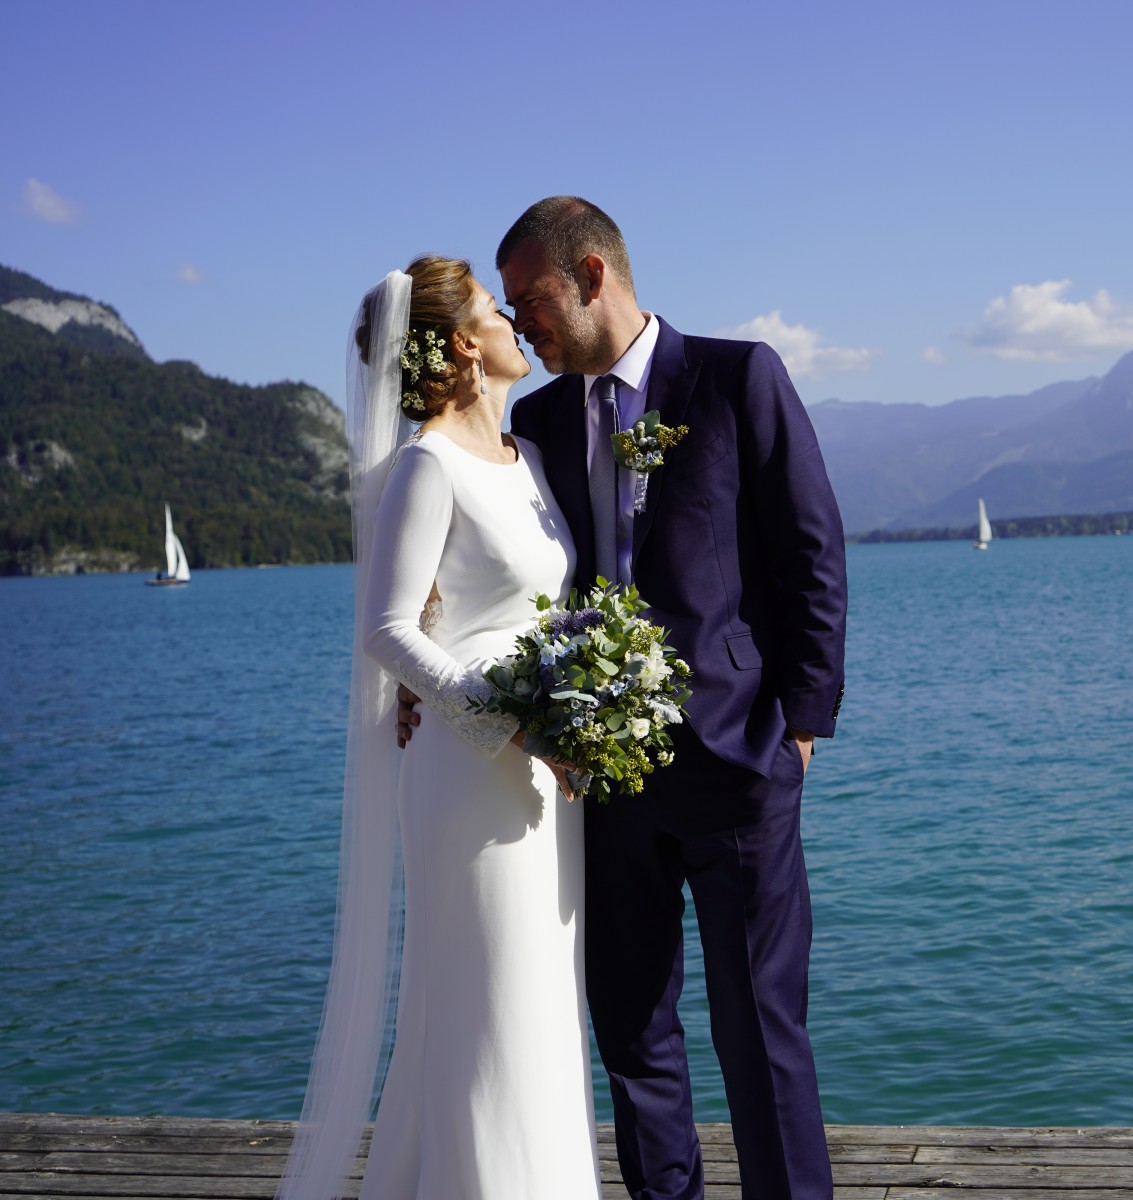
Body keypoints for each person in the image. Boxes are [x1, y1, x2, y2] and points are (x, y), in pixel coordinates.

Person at [405, 197, 848, 1200]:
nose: (522, 328)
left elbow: (810, 553)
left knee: (761, 1037)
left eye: (533, 301)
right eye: (508, 309)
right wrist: (428, 662)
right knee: (635, 1037)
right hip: (599, 790)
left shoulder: (738, 378)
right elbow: (499, 572)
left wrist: (804, 727)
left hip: (740, 765)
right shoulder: (540, 420)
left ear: (594, 275)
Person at [278, 257, 601, 1200]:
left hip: (545, 781)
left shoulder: (527, 457)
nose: (517, 322)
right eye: (501, 311)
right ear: (465, 342)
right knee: (488, 1009)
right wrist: (514, 730)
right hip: (472, 777)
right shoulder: (426, 463)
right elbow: (385, 628)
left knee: (539, 1007)